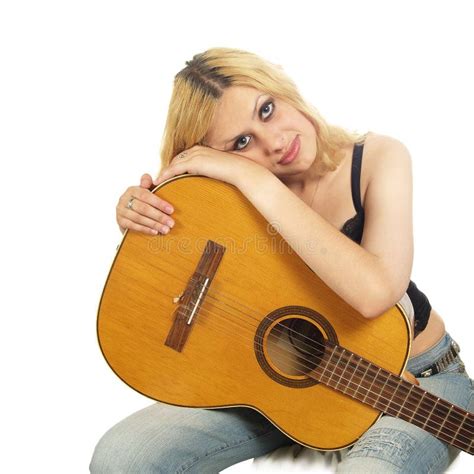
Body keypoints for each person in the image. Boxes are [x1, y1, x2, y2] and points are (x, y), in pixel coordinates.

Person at [90, 47, 473, 473]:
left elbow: (376, 292)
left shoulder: (380, 157)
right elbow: (163, 285)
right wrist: (143, 217)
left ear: (281, 86)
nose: (273, 142)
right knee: (122, 459)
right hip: (292, 387)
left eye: (266, 110)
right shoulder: (229, 199)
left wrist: (253, 177)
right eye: (241, 143)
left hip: (416, 379)